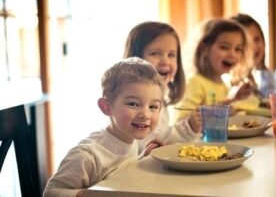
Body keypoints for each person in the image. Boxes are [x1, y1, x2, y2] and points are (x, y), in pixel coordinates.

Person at [43, 57, 165, 197]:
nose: (145, 114)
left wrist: (142, 158)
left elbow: (118, 173)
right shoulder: (87, 155)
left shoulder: (130, 140)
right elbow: (50, 193)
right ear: (106, 107)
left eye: (153, 107)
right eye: (133, 104)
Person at [124, 21, 201, 155]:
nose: (165, 61)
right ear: (135, 58)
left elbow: (161, 138)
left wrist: (189, 127)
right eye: (155, 53)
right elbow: (133, 149)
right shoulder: (130, 101)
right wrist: (143, 156)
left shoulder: (160, 100)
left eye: (171, 55)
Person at [175, 18, 253, 121]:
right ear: (205, 49)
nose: (232, 54)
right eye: (224, 47)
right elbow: (182, 121)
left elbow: (220, 113)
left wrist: (235, 98)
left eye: (238, 49)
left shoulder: (223, 83)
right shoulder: (195, 83)